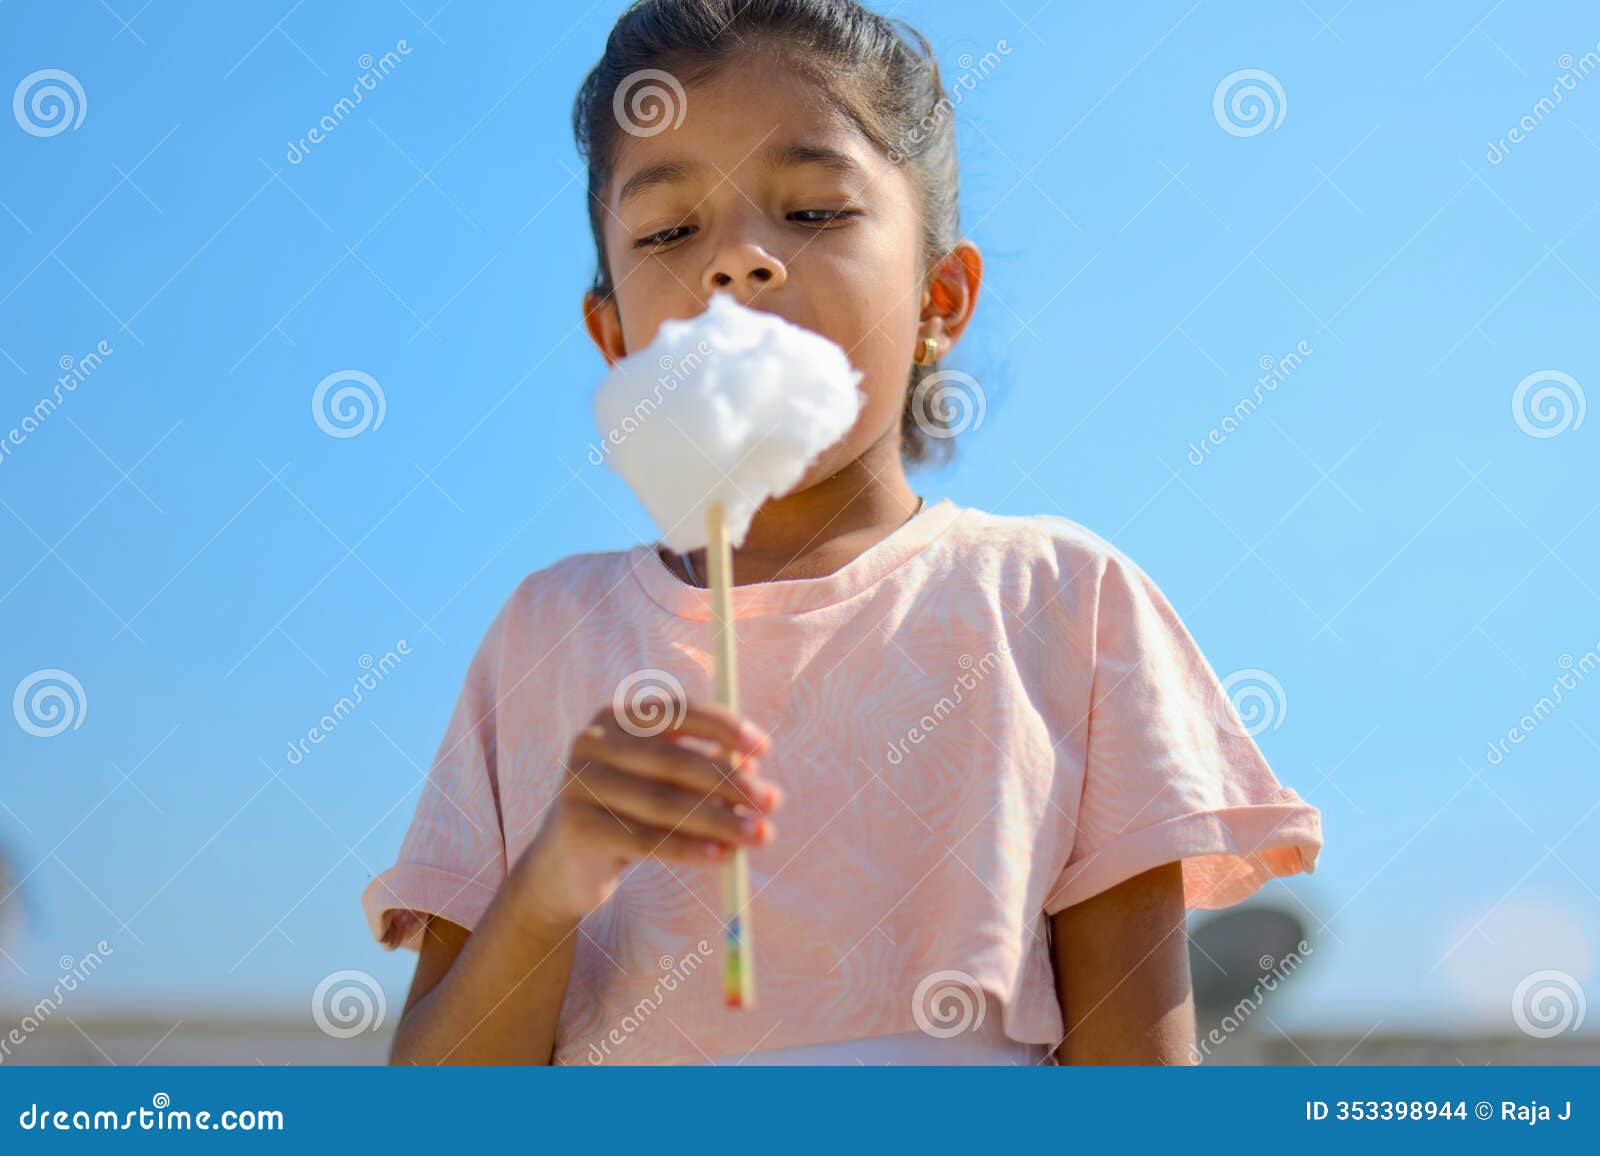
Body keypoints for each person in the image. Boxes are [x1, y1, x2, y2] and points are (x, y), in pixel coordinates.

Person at [360, 0, 1323, 1065]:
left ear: (939, 298)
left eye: (814, 210)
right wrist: (547, 889)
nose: (737, 261)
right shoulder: (544, 637)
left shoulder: (1060, 601)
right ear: (612, 334)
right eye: (669, 231)